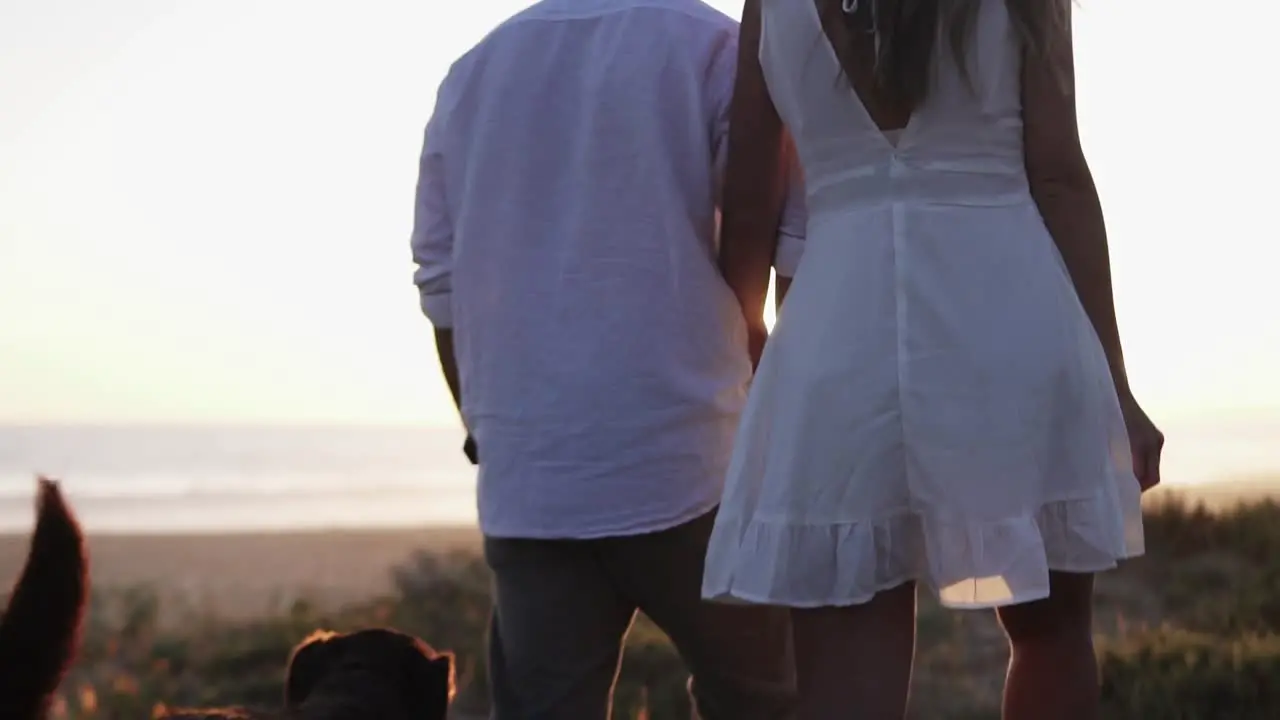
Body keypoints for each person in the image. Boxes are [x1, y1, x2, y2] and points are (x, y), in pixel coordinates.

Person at [702, 1, 1164, 719]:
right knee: (1050, 635)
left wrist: (757, 354)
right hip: (1008, 318)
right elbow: (1060, 176)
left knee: (845, 659)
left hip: (835, 334)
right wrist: (1118, 385)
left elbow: (751, 208)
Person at [409, 1, 806, 718]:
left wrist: (483, 425)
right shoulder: (715, 49)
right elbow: (779, 237)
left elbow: (442, 283)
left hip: (535, 476)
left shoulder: (475, 73)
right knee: (762, 700)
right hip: (696, 460)